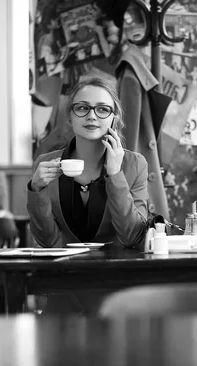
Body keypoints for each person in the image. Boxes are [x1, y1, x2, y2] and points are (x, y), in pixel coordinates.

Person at [27, 76, 149, 250]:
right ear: (70, 116)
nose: (91, 116)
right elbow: (46, 241)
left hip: (119, 270)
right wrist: (36, 189)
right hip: (63, 270)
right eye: (82, 108)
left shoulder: (135, 165)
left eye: (102, 109)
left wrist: (115, 175)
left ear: (114, 119)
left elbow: (131, 237)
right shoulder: (46, 164)